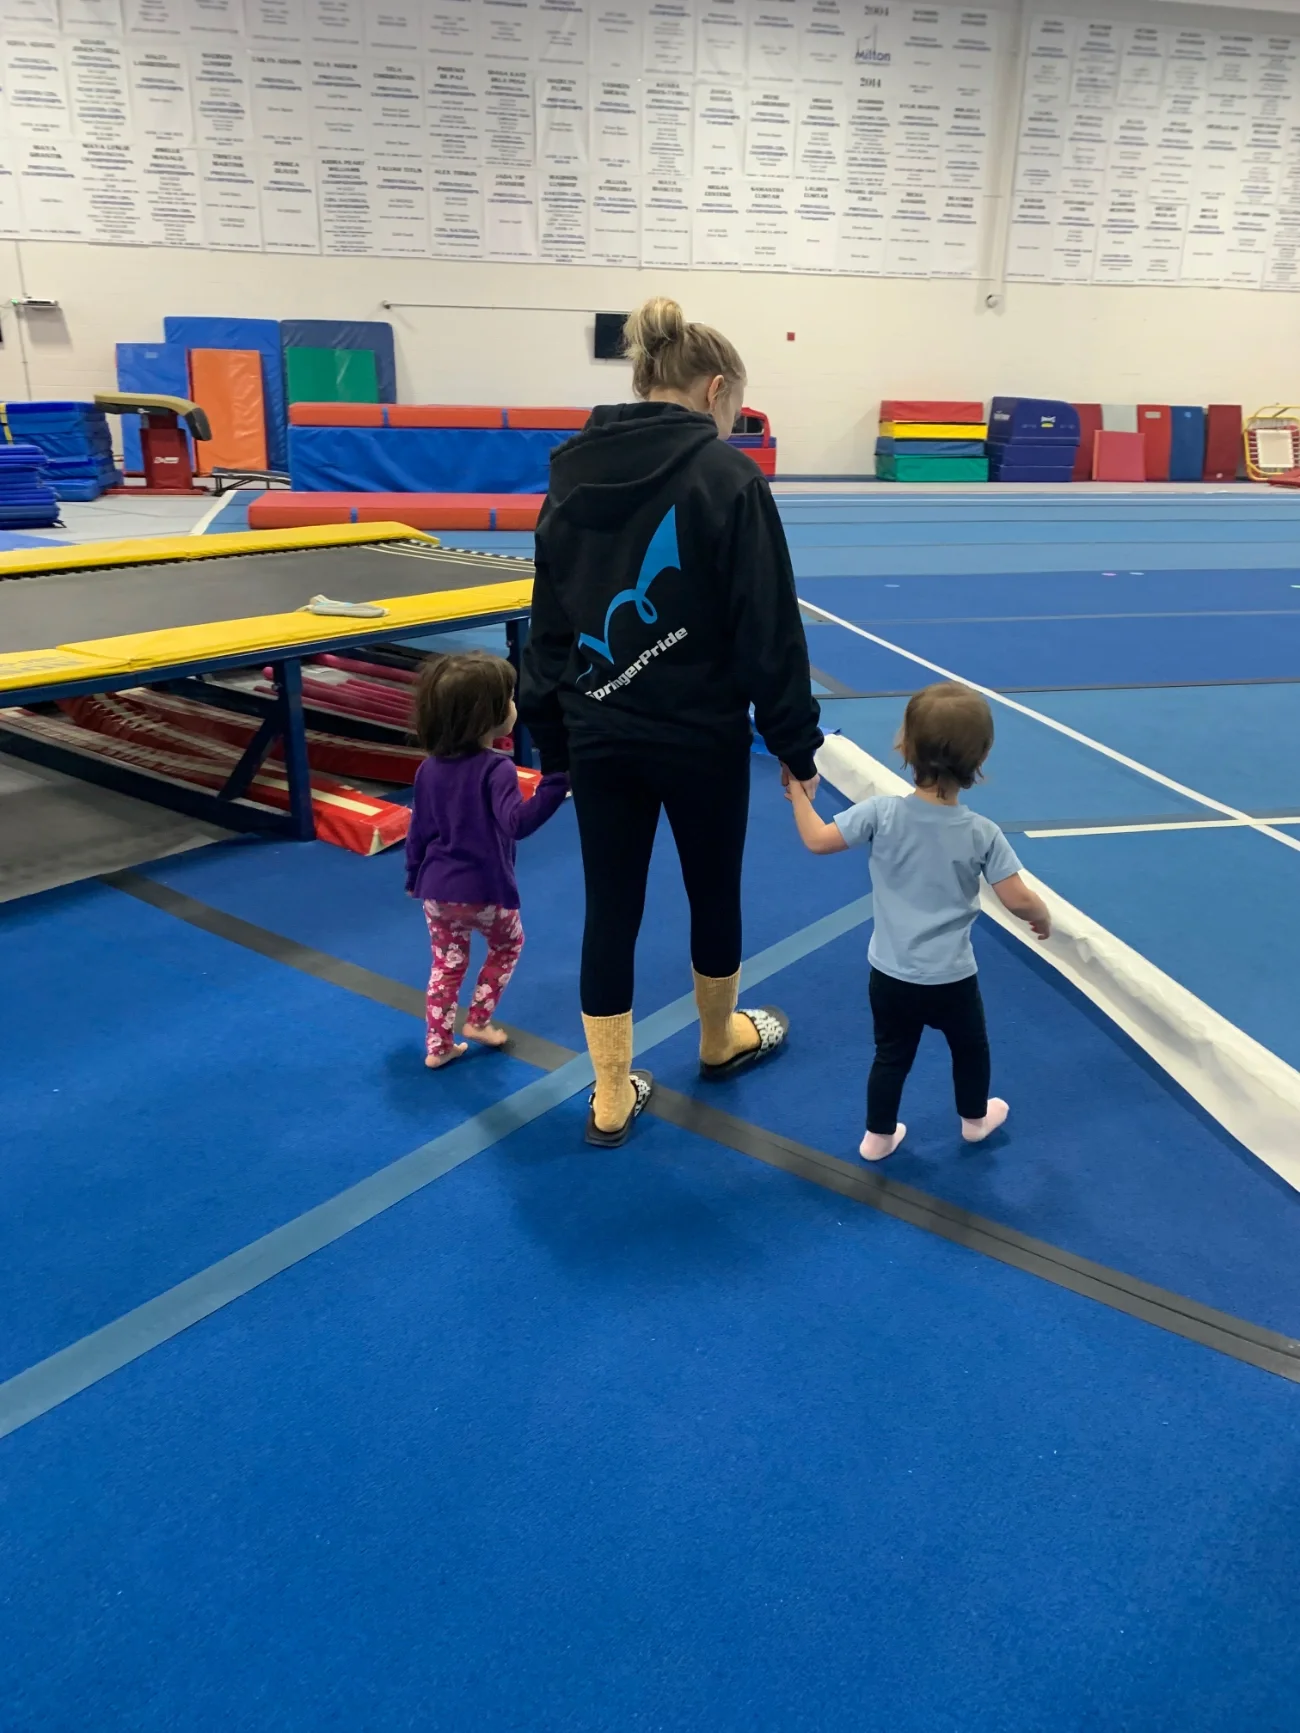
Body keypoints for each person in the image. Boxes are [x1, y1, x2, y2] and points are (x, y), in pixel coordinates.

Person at [519, 295, 823, 1147]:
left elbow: (545, 620)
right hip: (701, 735)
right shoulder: (727, 478)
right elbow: (768, 624)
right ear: (717, 388)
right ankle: (719, 1037)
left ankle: (610, 1091)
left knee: (608, 907)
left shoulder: (568, 476)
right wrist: (795, 741)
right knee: (711, 890)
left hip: (600, 730)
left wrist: (549, 734)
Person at [784, 681, 1051, 1160]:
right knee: (970, 1050)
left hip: (890, 973)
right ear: (981, 757)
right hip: (952, 978)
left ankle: (878, 1137)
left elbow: (818, 840)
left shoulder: (881, 814)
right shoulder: (981, 834)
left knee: (891, 1055)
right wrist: (1042, 917)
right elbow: (1017, 898)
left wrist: (798, 794)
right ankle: (974, 1119)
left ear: (904, 746)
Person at [405, 652, 569, 1069]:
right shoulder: (496, 769)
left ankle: (438, 1045)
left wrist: (413, 877)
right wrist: (555, 785)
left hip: (437, 892)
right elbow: (516, 823)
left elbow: (418, 831)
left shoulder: (428, 770)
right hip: (484, 892)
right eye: (510, 699)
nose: (516, 706)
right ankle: (478, 1019)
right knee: (508, 944)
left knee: (446, 965)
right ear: (491, 717)